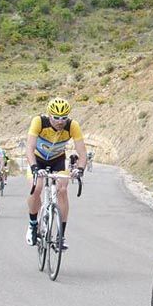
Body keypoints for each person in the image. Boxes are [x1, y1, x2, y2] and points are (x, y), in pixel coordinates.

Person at [25, 97, 88, 248]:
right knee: (37, 188)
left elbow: (82, 152)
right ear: (49, 115)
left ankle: (61, 236)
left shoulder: (73, 126)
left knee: (62, 189)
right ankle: (33, 224)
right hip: (38, 160)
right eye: (56, 118)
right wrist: (34, 167)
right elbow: (29, 148)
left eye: (64, 118)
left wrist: (80, 169)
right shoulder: (39, 122)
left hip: (57, 160)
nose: (60, 121)